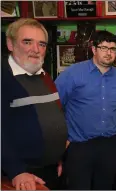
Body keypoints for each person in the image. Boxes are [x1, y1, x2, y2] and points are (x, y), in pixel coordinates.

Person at [55, 31, 116, 189]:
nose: (109, 53)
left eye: (113, 49)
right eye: (104, 48)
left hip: (110, 146)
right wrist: (62, 139)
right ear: (94, 49)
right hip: (79, 146)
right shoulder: (72, 74)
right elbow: (54, 106)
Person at [1, 18, 68, 190]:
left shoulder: (43, 75)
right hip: (21, 175)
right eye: (27, 42)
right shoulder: (4, 78)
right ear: (10, 44)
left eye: (42, 44)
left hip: (50, 170)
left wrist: (57, 156)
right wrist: (16, 171)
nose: (36, 50)